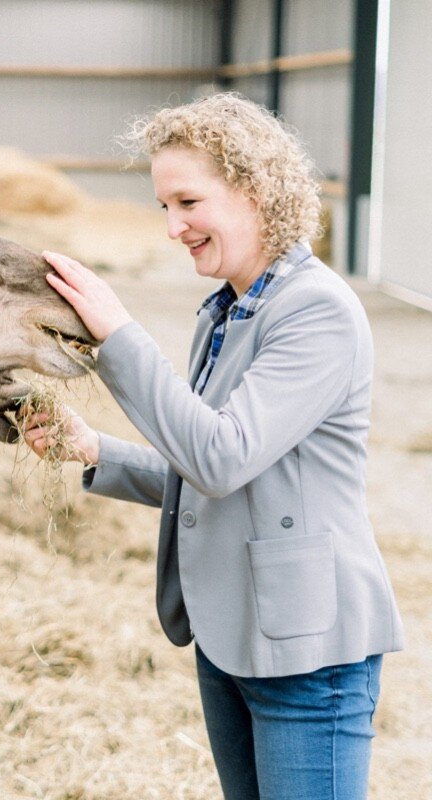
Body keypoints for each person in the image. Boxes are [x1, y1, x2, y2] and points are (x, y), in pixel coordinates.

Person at [20, 93, 403, 800]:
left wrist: (118, 338)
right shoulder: (229, 309)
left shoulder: (316, 311)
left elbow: (222, 458)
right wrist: (93, 449)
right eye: (164, 206)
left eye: (188, 201)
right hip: (233, 634)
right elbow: (211, 469)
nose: (172, 227)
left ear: (255, 191)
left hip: (306, 658)